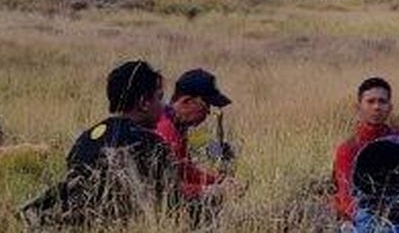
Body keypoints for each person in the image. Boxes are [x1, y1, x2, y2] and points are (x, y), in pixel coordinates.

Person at [21, 60, 178, 227]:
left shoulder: (84, 139)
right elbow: (172, 205)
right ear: (143, 103)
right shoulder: (152, 144)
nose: (163, 106)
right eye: (159, 98)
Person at [332, 77, 399, 223]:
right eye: (370, 101)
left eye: (382, 101)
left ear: (390, 107)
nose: (376, 107)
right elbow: (346, 197)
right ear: (358, 107)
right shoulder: (349, 148)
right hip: (364, 217)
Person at [155, 68, 238, 204]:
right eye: (205, 107)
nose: (207, 114)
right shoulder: (165, 130)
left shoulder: (177, 127)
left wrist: (218, 180)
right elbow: (165, 189)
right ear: (186, 101)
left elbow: (185, 170)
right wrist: (212, 190)